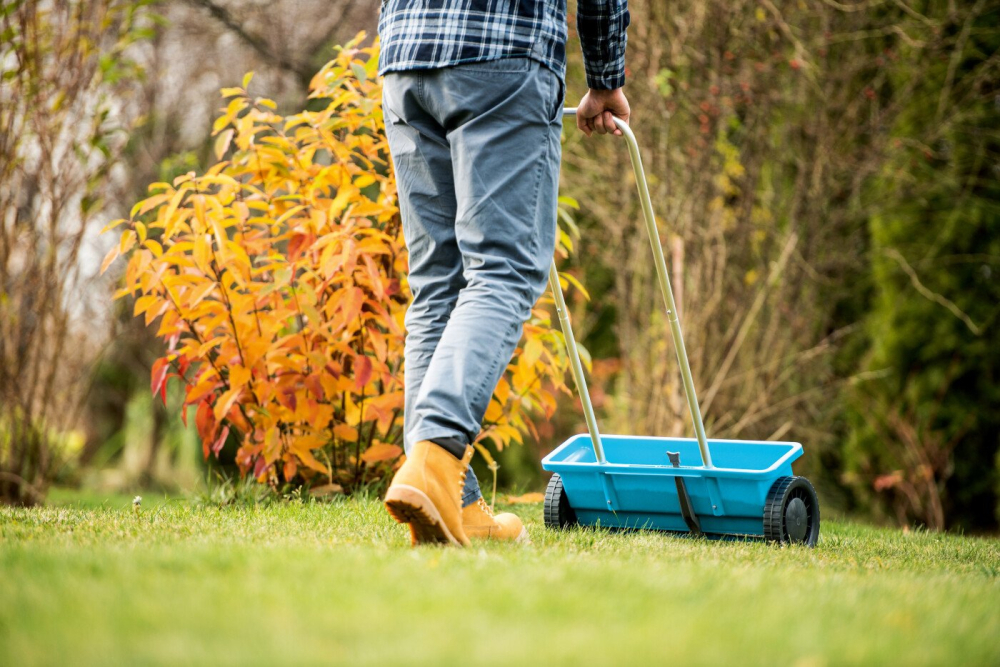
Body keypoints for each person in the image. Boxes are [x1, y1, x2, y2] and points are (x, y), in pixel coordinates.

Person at [378, 0, 631, 547]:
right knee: (504, 269)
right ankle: (435, 460)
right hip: (502, 49)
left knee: (436, 284)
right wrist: (605, 78)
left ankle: (455, 500)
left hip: (406, 51)